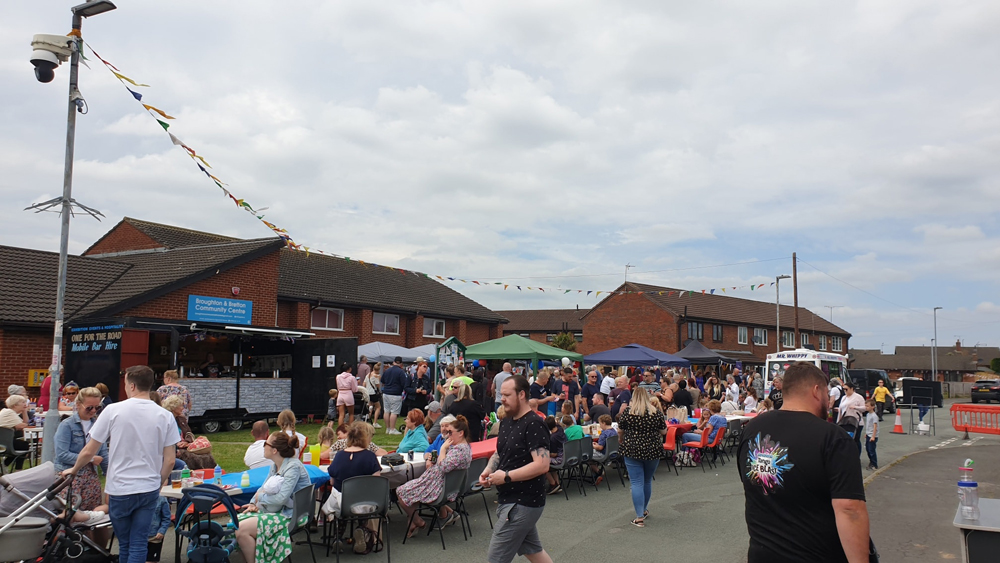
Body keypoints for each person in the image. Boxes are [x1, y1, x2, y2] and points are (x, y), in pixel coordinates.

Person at [737, 361, 869, 562]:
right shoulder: (834, 439)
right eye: (826, 394)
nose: (828, 400)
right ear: (816, 391)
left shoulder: (752, 429)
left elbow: (751, 486)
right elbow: (850, 509)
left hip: (761, 555)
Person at [60, 365, 178, 563]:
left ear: (131, 386)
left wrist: (74, 469)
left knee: (124, 544)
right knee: (140, 542)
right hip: (148, 486)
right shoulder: (165, 415)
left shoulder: (113, 410)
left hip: (120, 487)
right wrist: (159, 481)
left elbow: (90, 449)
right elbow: (171, 459)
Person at [480, 376, 552, 563]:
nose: (502, 399)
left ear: (521, 394)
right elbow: (499, 452)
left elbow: (542, 465)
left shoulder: (534, 423)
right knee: (534, 551)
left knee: (495, 559)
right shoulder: (506, 421)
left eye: (506, 394)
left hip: (522, 502)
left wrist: (506, 476)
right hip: (511, 500)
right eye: (500, 394)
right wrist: (489, 469)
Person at [236, 431, 312, 563]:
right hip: (277, 510)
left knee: (241, 531)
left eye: (266, 443)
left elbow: (281, 498)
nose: (263, 446)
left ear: (274, 450)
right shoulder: (275, 465)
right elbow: (262, 488)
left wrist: (261, 498)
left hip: (290, 515)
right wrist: (254, 503)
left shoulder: (293, 467)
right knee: (236, 524)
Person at [398, 414, 473, 537]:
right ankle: (414, 520)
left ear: (461, 433)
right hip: (441, 485)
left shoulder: (459, 450)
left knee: (401, 491)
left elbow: (443, 466)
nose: (448, 435)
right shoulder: (462, 448)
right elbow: (436, 456)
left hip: (438, 488)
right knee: (409, 490)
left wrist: (443, 449)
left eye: (450, 432)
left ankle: (417, 521)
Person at [616, 383, 666, 528]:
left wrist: (621, 439)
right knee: (647, 480)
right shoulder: (655, 412)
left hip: (632, 449)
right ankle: (643, 509)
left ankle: (639, 516)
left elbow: (620, 430)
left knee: (636, 482)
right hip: (652, 449)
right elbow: (664, 432)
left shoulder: (628, 412)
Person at [56, 387, 112, 507]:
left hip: (90, 475)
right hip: (69, 473)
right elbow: (62, 454)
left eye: (97, 408)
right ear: (78, 405)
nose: (93, 411)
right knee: (71, 511)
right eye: (89, 407)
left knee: (93, 513)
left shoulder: (97, 425)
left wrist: (110, 475)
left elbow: (103, 454)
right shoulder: (67, 425)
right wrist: (90, 458)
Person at [0, 394, 31, 469]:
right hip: (4, 443)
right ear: (15, 405)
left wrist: (24, 411)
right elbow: (21, 426)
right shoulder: (9, 413)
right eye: (22, 402)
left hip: (3, 442)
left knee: (21, 445)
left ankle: (5, 465)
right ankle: (17, 469)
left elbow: (24, 423)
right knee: (23, 446)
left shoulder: (8, 412)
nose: (25, 404)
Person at [837, 381, 867, 454]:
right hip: (845, 421)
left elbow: (864, 408)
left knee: (856, 439)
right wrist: (838, 421)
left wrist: (855, 407)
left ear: (852, 389)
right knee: (847, 440)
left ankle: (857, 455)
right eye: (843, 389)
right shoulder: (844, 397)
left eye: (846, 389)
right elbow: (841, 409)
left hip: (856, 421)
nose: (845, 391)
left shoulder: (858, 397)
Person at [381, 357, 407, 434]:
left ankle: (388, 428)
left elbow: (382, 381)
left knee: (386, 411)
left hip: (386, 393)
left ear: (393, 362)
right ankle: (392, 429)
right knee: (394, 412)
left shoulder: (387, 370)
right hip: (396, 393)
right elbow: (404, 383)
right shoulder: (401, 372)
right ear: (401, 364)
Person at [544, 416, 566, 495]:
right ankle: (557, 483)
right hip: (568, 455)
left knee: (543, 463)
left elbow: (554, 454)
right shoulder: (560, 429)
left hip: (560, 458)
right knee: (551, 464)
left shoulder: (552, 438)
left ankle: (552, 484)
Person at [145, 496, 171, 563]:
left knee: (151, 560)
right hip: (139, 536)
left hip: (155, 536)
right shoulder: (137, 498)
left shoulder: (162, 500)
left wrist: (162, 531)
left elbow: (166, 518)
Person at [363, 362, 383, 428]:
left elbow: (364, 384)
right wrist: (379, 379)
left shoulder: (368, 375)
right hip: (373, 393)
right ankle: (375, 422)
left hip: (367, 393)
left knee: (370, 407)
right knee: (378, 407)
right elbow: (377, 386)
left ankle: (368, 420)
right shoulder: (376, 377)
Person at [864, 399, 879, 470]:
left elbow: (875, 426)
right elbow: (868, 425)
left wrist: (873, 436)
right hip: (868, 434)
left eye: (867, 406)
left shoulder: (874, 416)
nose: (866, 407)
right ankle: (871, 462)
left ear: (872, 407)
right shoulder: (868, 414)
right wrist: (866, 433)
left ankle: (874, 464)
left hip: (872, 436)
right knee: (867, 449)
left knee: (871, 450)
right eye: (865, 406)